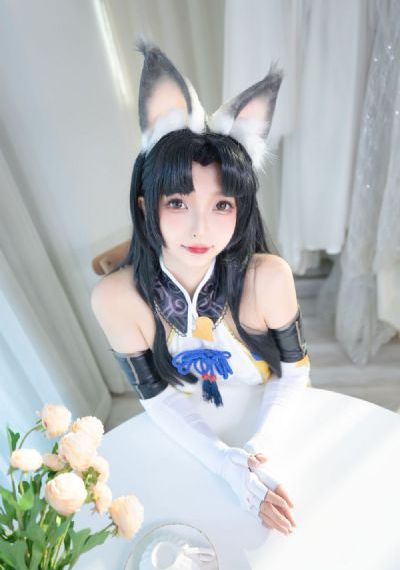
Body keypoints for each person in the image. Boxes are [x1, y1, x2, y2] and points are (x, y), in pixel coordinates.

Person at [91, 40, 312, 536]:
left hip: (272, 422)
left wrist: (254, 454)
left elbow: (295, 374)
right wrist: (224, 465)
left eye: (221, 205)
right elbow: (157, 398)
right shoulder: (116, 299)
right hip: (183, 435)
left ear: (241, 211)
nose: (200, 228)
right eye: (178, 203)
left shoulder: (267, 279)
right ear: (147, 206)